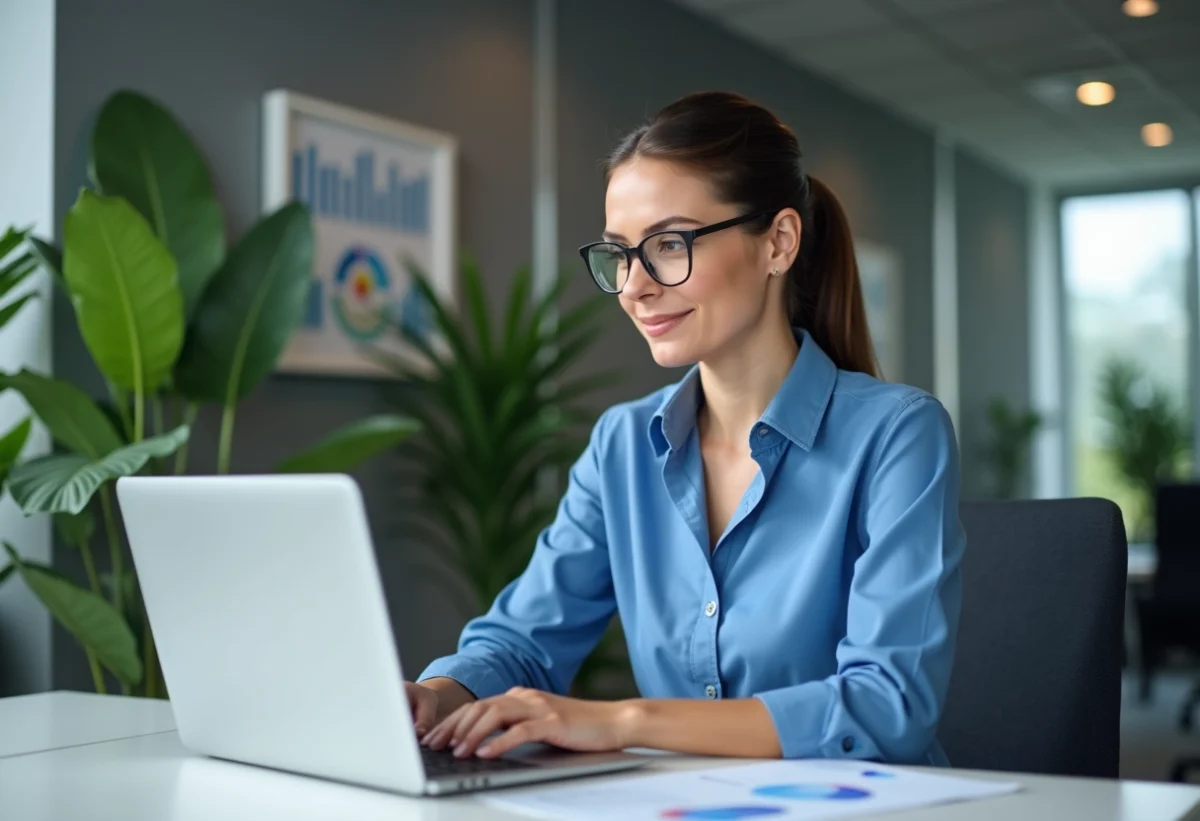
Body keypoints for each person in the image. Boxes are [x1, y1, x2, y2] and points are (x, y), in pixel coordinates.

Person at [408, 91, 965, 765]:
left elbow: (886, 706)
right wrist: (436, 695)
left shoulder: (897, 435)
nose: (636, 285)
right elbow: (523, 642)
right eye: (620, 254)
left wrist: (625, 721)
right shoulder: (622, 444)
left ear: (778, 243)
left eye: (669, 244)